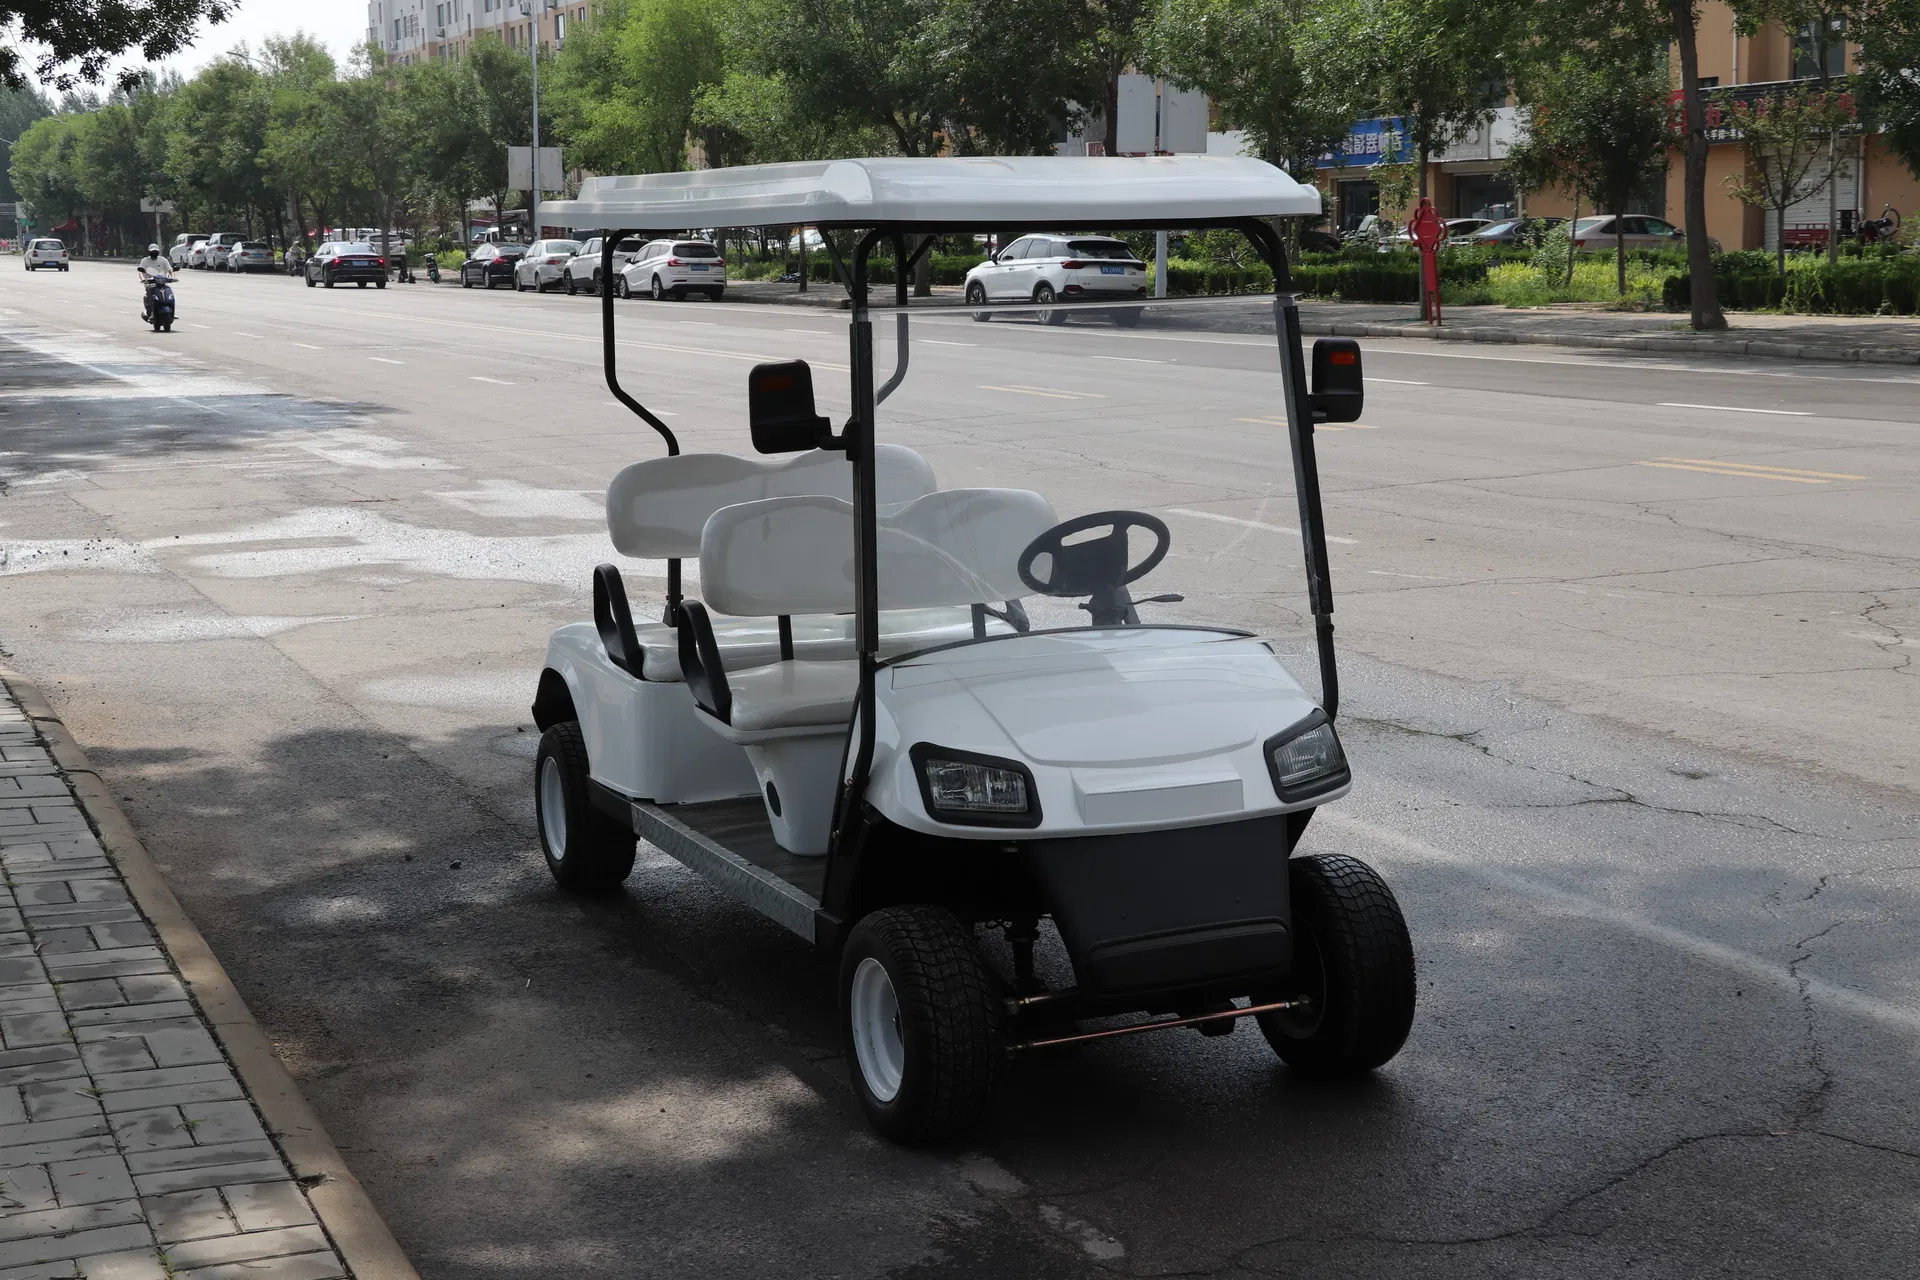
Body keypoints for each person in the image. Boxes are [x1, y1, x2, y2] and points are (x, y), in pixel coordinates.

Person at [137, 244, 173, 319]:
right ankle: (151, 311)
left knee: (169, 293)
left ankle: (172, 310)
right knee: (150, 291)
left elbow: (170, 270)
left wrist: (172, 277)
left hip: (163, 282)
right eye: (152, 251)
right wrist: (143, 279)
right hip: (150, 283)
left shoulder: (163, 260)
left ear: (158, 252)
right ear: (149, 252)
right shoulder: (145, 261)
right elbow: (141, 271)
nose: (154, 253)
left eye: (155, 251)